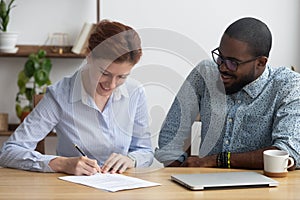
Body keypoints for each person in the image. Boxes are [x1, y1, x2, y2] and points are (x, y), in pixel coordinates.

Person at [0, 20, 153, 175]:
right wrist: (60, 163)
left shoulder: (135, 93)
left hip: (121, 189)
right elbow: (9, 151)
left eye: (122, 77)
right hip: (72, 191)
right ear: (89, 56)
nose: (112, 85)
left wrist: (131, 159)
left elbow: (145, 151)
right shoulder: (60, 96)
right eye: (105, 74)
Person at [154, 17, 300, 169]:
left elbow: (287, 152)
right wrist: (181, 174)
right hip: (204, 184)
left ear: (261, 63)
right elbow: (171, 134)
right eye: (220, 57)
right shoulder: (206, 73)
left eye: (233, 63)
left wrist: (215, 161)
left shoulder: (288, 86)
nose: (222, 68)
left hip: (262, 186)